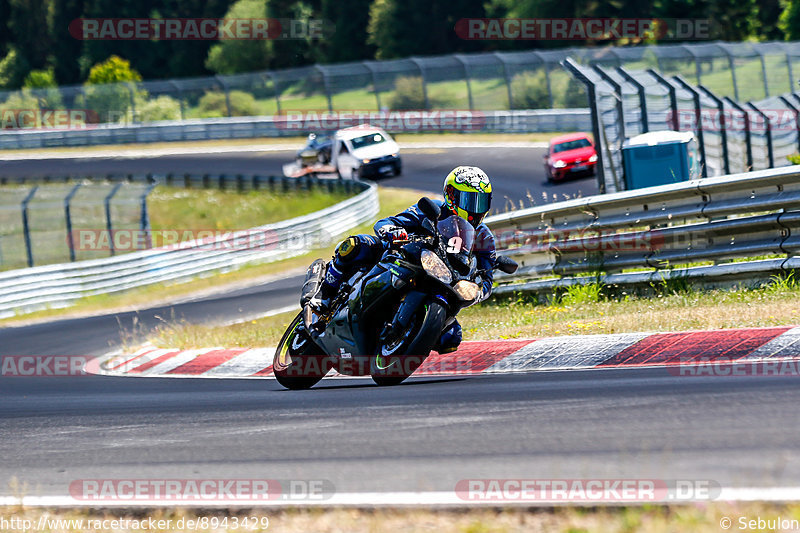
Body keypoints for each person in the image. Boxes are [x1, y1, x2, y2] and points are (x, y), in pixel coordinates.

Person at [312, 166, 496, 354]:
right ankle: (325, 295)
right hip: (403, 256)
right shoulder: (433, 209)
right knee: (355, 244)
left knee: (452, 337)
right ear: (451, 195)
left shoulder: (484, 237)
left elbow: (488, 278)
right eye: (470, 200)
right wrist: (393, 231)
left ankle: (408, 335)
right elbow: (385, 222)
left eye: (481, 201)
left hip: (445, 280)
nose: (476, 208)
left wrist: (480, 290)